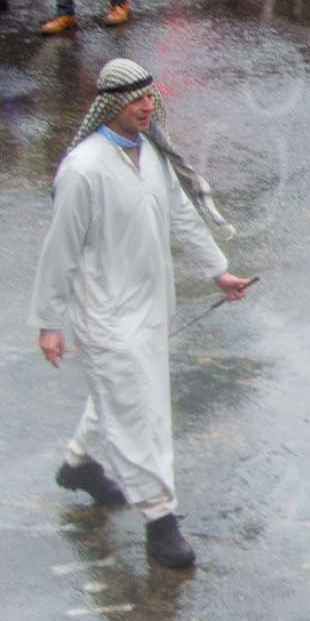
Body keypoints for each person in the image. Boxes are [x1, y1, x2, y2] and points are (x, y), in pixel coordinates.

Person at [28, 58, 254, 571]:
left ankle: (79, 465)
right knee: (141, 412)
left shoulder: (149, 154)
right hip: (105, 313)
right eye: (136, 101)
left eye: (150, 98)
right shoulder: (83, 170)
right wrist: (49, 322)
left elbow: (181, 215)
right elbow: (58, 250)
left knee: (129, 393)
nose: (147, 107)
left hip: (152, 306)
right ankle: (160, 519)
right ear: (110, 105)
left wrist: (218, 270)